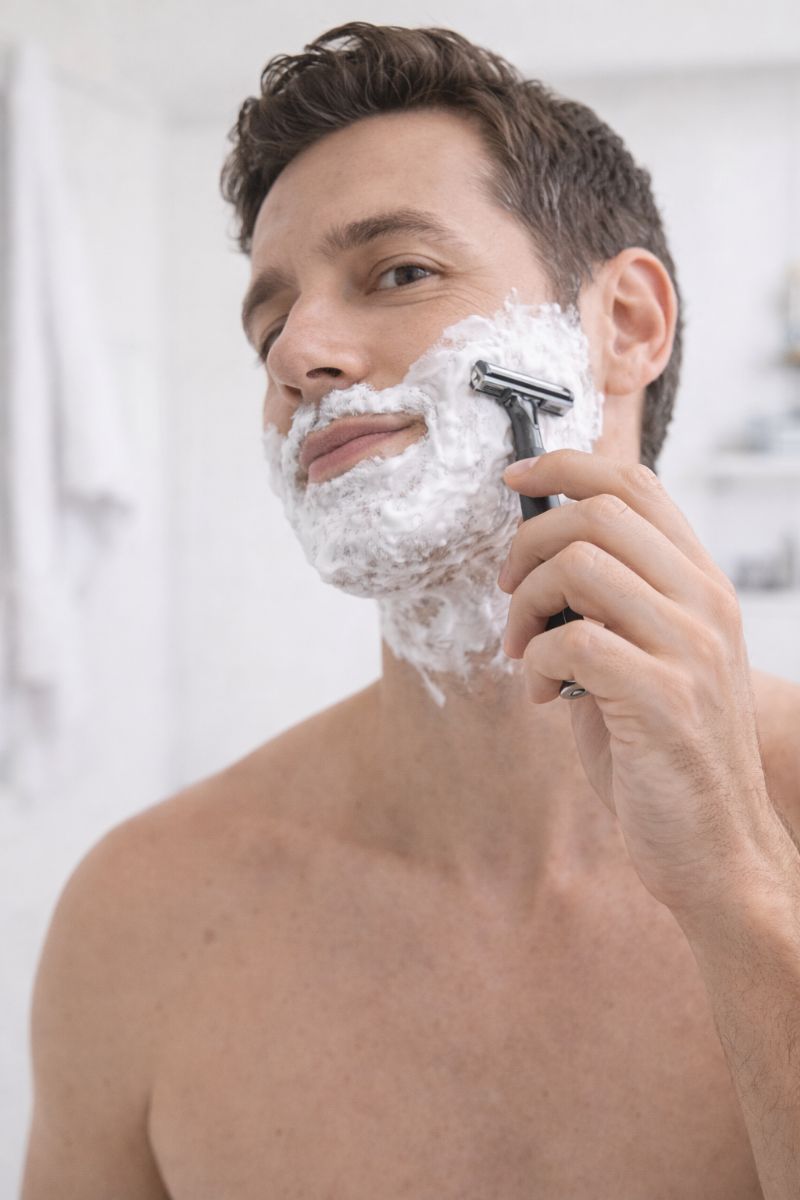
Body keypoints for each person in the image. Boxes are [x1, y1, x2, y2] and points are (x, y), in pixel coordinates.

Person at [22, 22, 800, 1200]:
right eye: (268, 323)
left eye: (398, 272)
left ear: (624, 326)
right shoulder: (140, 916)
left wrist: (738, 888)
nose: (298, 354)